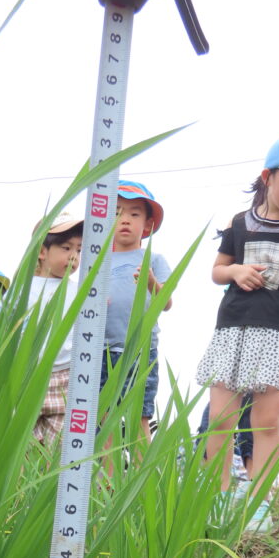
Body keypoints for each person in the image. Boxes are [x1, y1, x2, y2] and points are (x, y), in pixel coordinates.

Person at [195, 131, 279, 533]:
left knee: (266, 421)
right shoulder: (240, 223)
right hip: (232, 330)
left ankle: (258, 502)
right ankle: (217, 496)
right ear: (268, 176)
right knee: (220, 416)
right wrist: (235, 270)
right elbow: (217, 270)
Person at [101, 180, 172, 440]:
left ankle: (141, 477)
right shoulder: (97, 260)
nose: (125, 220)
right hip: (102, 349)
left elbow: (166, 303)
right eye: (117, 212)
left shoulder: (153, 259)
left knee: (139, 414)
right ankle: (107, 479)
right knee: (104, 414)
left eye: (134, 214)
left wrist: (152, 283)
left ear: (148, 225)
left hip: (141, 350)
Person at [28, 213, 83, 444]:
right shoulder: (21, 290)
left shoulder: (81, 291)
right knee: (21, 455)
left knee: (58, 454)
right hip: (27, 380)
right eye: (65, 247)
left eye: (79, 250)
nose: (74, 256)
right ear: (42, 251)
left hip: (65, 380)